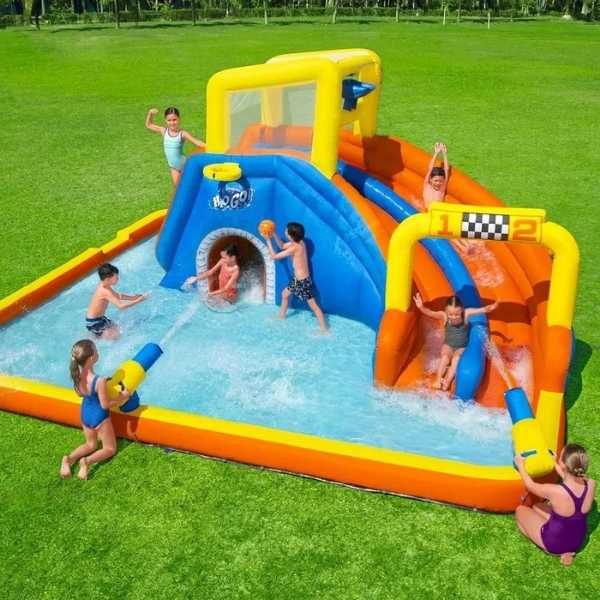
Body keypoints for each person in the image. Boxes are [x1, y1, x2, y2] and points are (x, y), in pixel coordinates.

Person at [60, 339, 130, 480]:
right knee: (110, 449)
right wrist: (122, 397)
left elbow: (80, 394)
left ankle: (68, 459)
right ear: (92, 358)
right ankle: (86, 462)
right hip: (99, 417)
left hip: (85, 414)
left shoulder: (77, 376)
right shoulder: (99, 381)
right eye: (96, 350)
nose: (98, 352)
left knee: (91, 444)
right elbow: (105, 405)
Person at [515, 444, 595, 566]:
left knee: (520, 511)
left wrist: (520, 464)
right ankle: (567, 551)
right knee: (537, 506)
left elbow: (530, 485)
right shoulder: (591, 484)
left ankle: (559, 551)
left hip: (553, 543)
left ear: (564, 465)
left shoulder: (555, 491)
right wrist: (555, 463)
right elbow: (569, 478)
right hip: (577, 541)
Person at [414, 293, 499, 390]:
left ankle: (447, 381)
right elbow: (430, 313)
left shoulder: (466, 314)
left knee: (456, 359)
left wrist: (491, 307)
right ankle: (438, 380)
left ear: (461, 310)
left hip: (461, 347)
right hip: (448, 345)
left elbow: (481, 310)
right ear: (446, 311)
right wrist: (421, 307)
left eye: (456, 314)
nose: (453, 317)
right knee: (445, 358)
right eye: (450, 314)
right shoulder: (444, 316)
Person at [261, 222, 328, 333]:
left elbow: (274, 256)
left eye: (286, 230)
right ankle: (281, 316)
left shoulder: (295, 247)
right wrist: (274, 233)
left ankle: (324, 330)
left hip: (302, 282)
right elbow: (282, 246)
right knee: (285, 294)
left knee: (314, 306)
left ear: (290, 235)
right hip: (298, 280)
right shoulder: (300, 242)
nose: (285, 231)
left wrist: (268, 240)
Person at [145, 106, 205, 188]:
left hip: (185, 166)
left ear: (179, 119)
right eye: (169, 120)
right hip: (174, 168)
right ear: (165, 120)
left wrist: (211, 146)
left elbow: (197, 142)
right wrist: (150, 113)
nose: (172, 123)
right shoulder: (164, 131)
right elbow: (148, 125)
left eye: (174, 120)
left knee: (192, 186)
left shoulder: (182, 134)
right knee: (178, 188)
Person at [86, 263, 148, 340]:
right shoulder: (105, 291)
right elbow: (121, 306)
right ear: (108, 279)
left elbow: (117, 296)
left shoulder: (104, 285)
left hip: (99, 318)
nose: (118, 279)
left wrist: (132, 298)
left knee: (117, 329)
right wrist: (139, 300)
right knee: (117, 337)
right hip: (94, 322)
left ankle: (94, 336)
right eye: (116, 277)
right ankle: (93, 336)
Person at [423, 142, 449, 208]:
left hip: (437, 212)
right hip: (426, 211)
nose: (438, 183)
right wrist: (436, 153)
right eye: (436, 180)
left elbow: (446, 169)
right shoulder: (427, 185)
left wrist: (444, 153)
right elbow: (430, 169)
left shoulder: (442, 187)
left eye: (440, 181)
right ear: (430, 179)